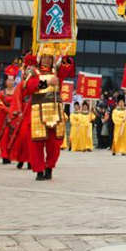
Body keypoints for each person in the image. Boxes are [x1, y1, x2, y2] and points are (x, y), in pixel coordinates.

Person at [23, 52, 75, 181]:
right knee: (37, 143)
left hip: (55, 111)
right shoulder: (33, 71)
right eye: (44, 57)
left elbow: (68, 69)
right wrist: (47, 82)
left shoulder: (57, 71)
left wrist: (66, 55)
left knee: (54, 143)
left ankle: (49, 167)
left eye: (49, 57)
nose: (47, 60)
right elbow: (28, 88)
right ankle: (39, 170)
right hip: (38, 110)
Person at [0, 67, 18, 162]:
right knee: (4, 136)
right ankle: (4, 155)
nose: (10, 82)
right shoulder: (2, 93)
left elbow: (18, 103)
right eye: (9, 80)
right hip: (4, 117)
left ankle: (12, 155)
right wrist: (7, 109)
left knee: (13, 137)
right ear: (6, 81)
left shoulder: (17, 92)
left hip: (14, 117)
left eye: (12, 80)